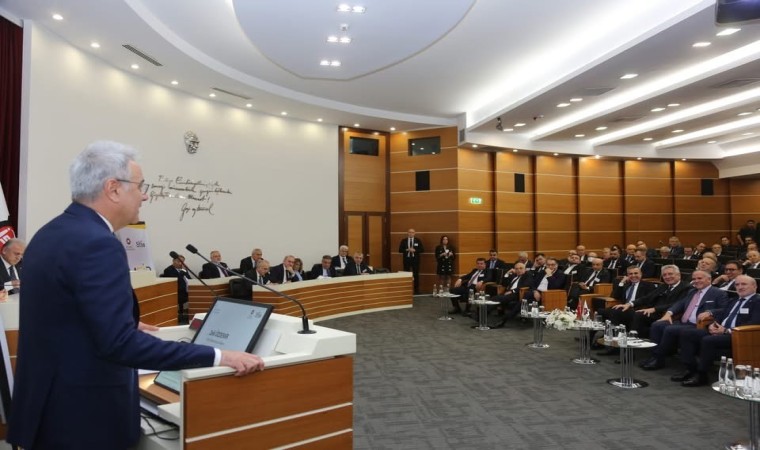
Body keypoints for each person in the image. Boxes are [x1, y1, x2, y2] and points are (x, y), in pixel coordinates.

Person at [7, 141, 264, 450]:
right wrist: (221, 356)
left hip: (47, 407)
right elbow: (119, 344)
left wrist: (115, 321)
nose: (145, 195)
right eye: (140, 186)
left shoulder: (50, 233)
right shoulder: (98, 243)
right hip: (84, 419)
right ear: (113, 188)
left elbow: (61, 314)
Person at [674, 275, 760, 387]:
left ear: (754, 286)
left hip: (738, 335)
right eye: (737, 285)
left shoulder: (757, 301)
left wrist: (726, 330)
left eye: (744, 284)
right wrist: (712, 325)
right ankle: (690, 369)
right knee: (687, 333)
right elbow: (722, 315)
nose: (740, 287)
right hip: (721, 330)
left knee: (708, 340)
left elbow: (754, 322)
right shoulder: (734, 300)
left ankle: (702, 375)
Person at [640, 270, 728, 371]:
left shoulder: (719, 293)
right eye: (694, 279)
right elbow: (680, 303)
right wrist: (669, 312)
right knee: (657, 325)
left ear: (709, 279)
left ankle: (658, 358)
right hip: (684, 321)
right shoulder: (692, 291)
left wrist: (710, 312)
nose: (696, 281)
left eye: (699, 278)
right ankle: (654, 356)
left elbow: (724, 309)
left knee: (670, 329)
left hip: (699, 324)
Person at [160, 253, 191, 323]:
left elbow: (189, 279)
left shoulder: (183, 270)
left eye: (182, 261)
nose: (180, 263)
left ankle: (192, 316)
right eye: (179, 261)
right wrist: (183, 271)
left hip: (186, 290)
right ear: (173, 261)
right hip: (177, 292)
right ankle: (181, 315)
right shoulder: (168, 270)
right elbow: (177, 280)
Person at [399, 228, 424, 294]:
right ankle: (406, 290)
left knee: (416, 275)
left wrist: (415, 250)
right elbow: (400, 250)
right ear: (407, 233)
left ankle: (416, 290)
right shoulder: (404, 240)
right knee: (406, 274)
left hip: (415, 260)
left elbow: (422, 249)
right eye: (409, 232)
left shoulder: (417, 240)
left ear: (414, 233)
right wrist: (407, 250)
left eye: (412, 232)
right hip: (407, 259)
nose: (411, 233)